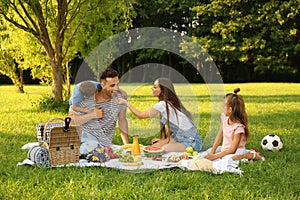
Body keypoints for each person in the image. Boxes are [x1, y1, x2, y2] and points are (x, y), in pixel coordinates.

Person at [116, 77, 202, 152]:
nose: (152, 88)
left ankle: (171, 144)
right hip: (179, 137)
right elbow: (174, 126)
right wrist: (164, 139)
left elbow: (140, 115)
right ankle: (170, 142)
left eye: (155, 87)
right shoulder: (167, 104)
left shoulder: (163, 105)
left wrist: (126, 103)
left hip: (191, 141)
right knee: (153, 148)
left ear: (163, 90)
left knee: (163, 150)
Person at [68, 68, 129, 155]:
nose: (116, 88)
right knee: (92, 147)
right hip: (82, 137)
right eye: (112, 86)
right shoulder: (85, 96)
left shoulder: (120, 98)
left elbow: (122, 120)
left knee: (100, 148)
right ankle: (68, 153)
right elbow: (70, 122)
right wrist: (92, 115)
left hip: (103, 143)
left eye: (117, 84)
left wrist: (127, 146)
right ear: (102, 85)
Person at [204, 88, 265, 162]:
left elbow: (232, 150)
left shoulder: (238, 128)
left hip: (236, 151)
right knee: (211, 150)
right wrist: (212, 153)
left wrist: (214, 157)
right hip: (226, 149)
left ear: (230, 110)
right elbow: (220, 135)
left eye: (223, 106)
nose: (222, 108)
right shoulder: (224, 118)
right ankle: (251, 151)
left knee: (227, 160)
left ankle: (249, 155)